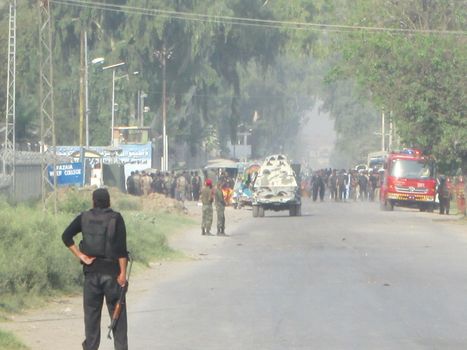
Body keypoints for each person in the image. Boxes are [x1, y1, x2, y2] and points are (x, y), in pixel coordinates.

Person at [62, 188, 129, 350]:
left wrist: (81, 256)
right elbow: (121, 249)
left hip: (91, 275)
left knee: (91, 319)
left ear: (93, 201)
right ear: (109, 202)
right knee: (118, 318)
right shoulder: (116, 218)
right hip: (112, 276)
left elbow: (66, 236)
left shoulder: (83, 217)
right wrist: (122, 274)